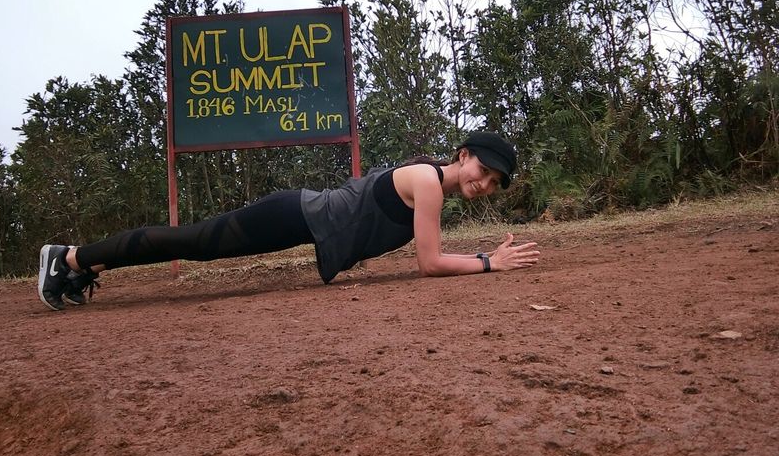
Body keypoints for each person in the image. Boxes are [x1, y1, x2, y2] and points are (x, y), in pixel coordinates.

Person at [37, 130, 540, 311]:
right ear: (464, 154)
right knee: (188, 241)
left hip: (298, 218)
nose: (485, 184)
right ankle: (70, 258)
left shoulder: (432, 184)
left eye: (495, 182)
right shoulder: (430, 183)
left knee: (191, 243)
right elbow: (428, 263)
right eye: (485, 170)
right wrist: (488, 262)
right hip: (293, 213)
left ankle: (86, 266)